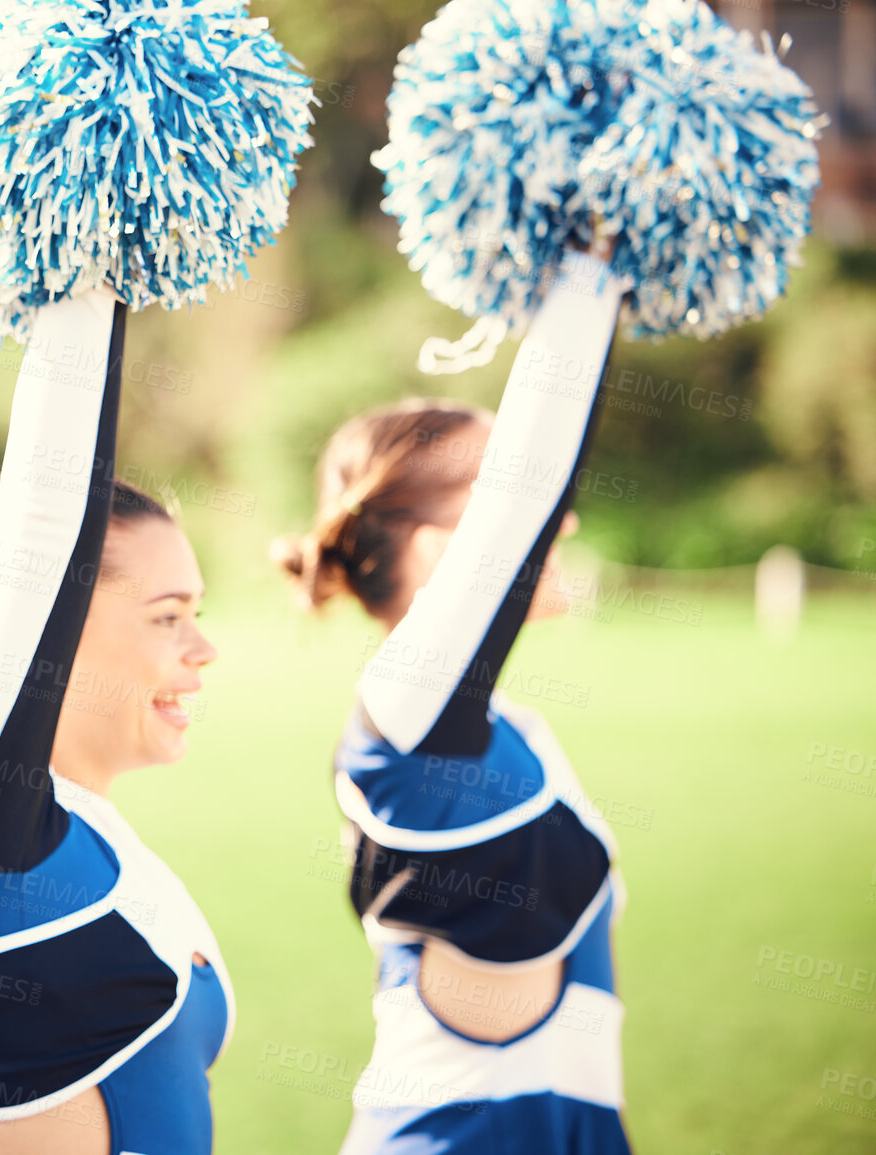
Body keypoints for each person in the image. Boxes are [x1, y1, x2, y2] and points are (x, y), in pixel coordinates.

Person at [276, 248, 633, 1151]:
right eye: (519, 499)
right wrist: (593, 264)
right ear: (446, 553)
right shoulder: (398, 736)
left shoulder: (506, 730)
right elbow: (532, 478)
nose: (562, 519)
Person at [0, 292, 229, 1155]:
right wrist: (94, 256)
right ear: (57, 621)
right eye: (167, 615)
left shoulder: (85, 835)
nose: (203, 648)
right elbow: (49, 523)